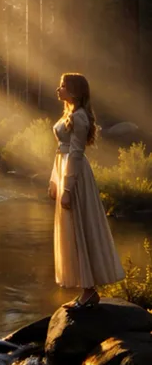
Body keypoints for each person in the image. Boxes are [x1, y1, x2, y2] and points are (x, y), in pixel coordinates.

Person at [48, 72, 125, 309]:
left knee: (80, 228)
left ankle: (89, 291)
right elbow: (60, 151)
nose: (58, 89)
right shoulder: (69, 115)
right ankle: (86, 289)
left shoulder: (80, 117)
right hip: (65, 172)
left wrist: (68, 187)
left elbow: (76, 153)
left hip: (76, 177)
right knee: (71, 230)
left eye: (62, 86)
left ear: (75, 91)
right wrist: (54, 181)